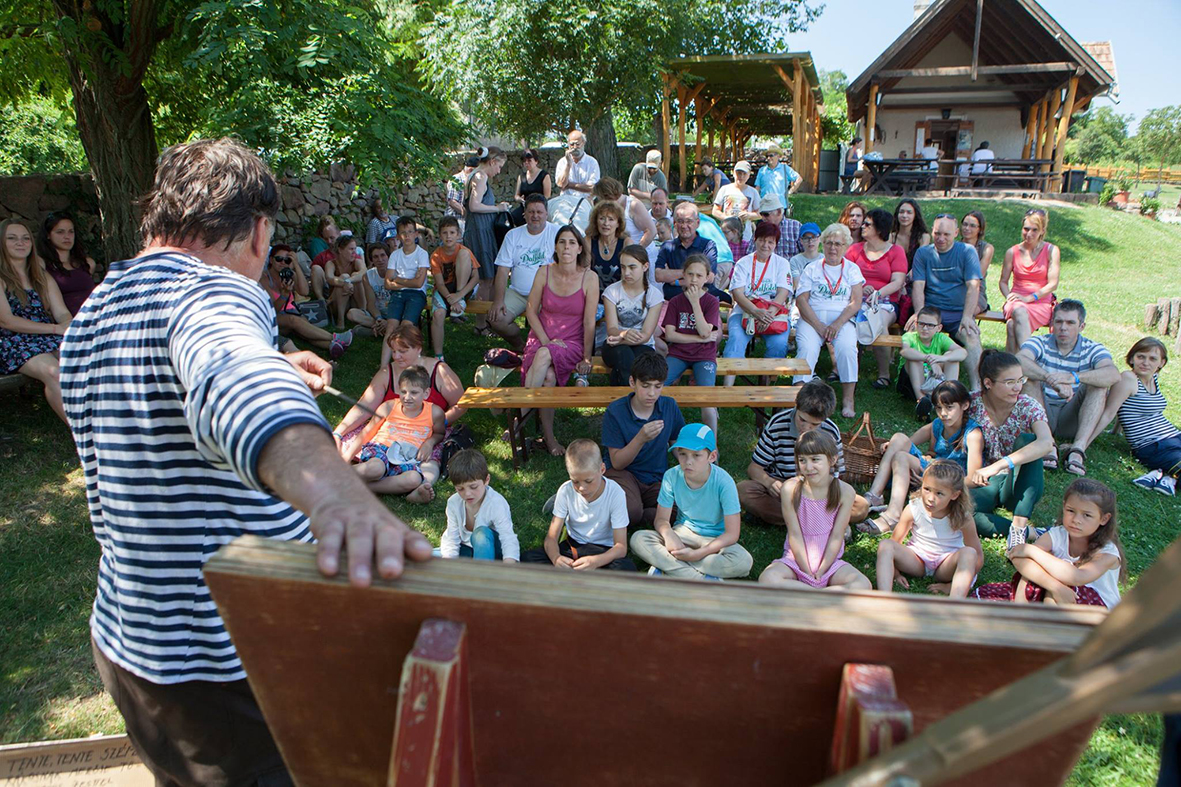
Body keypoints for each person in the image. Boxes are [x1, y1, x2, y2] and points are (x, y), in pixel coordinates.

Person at [59, 138, 432, 786]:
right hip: (227, 662)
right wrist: (336, 495)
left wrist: (277, 363)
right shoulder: (211, 292)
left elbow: (183, 389)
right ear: (259, 232)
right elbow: (237, 381)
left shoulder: (101, 306)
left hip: (131, 644)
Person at [737, 379, 870, 527]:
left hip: (819, 490)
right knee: (743, 490)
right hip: (783, 487)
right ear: (796, 406)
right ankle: (819, 521)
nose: (806, 428)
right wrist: (770, 483)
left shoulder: (831, 431)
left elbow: (837, 474)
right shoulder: (777, 425)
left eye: (815, 424)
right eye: (802, 420)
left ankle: (794, 520)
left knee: (861, 507)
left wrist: (818, 492)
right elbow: (754, 468)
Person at [974, 479, 1123, 608]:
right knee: (1035, 573)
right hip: (1057, 593)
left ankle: (1044, 624)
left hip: (1095, 608)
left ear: (1104, 519)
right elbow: (1019, 558)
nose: (1076, 520)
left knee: (1059, 577)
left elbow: (1077, 576)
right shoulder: (1057, 534)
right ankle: (1021, 612)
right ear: (1064, 507)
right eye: (1071, 511)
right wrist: (1055, 586)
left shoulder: (1107, 552)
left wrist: (1031, 551)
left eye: (1087, 515)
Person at [630, 423, 752, 580]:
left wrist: (698, 554)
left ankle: (669, 567)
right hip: (682, 534)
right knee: (638, 539)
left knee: (743, 561)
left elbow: (732, 534)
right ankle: (702, 579)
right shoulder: (671, 476)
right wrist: (669, 535)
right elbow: (661, 520)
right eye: (683, 454)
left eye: (696, 455)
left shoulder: (724, 482)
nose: (688, 461)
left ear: (712, 456)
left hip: (715, 541)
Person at [862, 380, 982, 534]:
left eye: (949, 407)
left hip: (950, 481)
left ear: (964, 405)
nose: (943, 413)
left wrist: (932, 484)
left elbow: (972, 479)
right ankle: (874, 495)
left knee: (901, 457)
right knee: (898, 438)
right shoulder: (938, 424)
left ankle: (893, 516)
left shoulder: (973, 434)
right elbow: (908, 442)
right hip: (933, 468)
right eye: (939, 408)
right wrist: (892, 445)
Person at [758, 430, 871, 591]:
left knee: (863, 584)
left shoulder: (845, 491)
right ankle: (820, 595)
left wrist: (823, 570)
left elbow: (837, 535)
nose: (808, 467)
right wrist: (806, 571)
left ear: (832, 459)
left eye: (815, 459)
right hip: (795, 560)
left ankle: (808, 594)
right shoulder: (790, 488)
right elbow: (794, 534)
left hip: (830, 563)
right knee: (767, 578)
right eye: (802, 460)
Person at [1017, 299, 1118, 476]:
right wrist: (1050, 379)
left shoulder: (1092, 348)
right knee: (1030, 381)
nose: (1063, 328)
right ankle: (1047, 444)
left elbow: (1113, 374)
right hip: (1042, 410)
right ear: (1052, 324)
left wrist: (1073, 378)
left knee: (1099, 386)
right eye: (1059, 322)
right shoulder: (1039, 342)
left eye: (1070, 322)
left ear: (1081, 326)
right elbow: (1018, 361)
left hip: (1074, 416)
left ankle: (1078, 449)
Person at [521, 224, 598, 456]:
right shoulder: (544, 272)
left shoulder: (589, 278)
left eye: (572, 243)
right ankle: (550, 438)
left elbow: (589, 322)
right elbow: (530, 310)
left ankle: (519, 419)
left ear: (579, 249)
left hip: (571, 343)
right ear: (555, 247)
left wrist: (586, 357)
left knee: (545, 355)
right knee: (548, 376)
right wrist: (546, 340)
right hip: (541, 337)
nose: (566, 247)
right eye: (562, 242)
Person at [335, 324, 466, 458]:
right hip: (392, 433)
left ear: (418, 348)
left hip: (427, 435)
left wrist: (439, 422)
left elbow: (461, 404)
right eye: (393, 351)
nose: (396, 356)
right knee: (346, 444)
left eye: (402, 351)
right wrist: (338, 433)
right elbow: (364, 406)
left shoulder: (439, 370)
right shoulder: (387, 372)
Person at [967, 350, 1053, 538]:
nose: (1017, 388)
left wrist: (998, 465)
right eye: (1009, 382)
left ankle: (1020, 524)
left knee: (1028, 440)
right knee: (961, 511)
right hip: (984, 482)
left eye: (1020, 380)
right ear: (988, 383)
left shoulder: (1027, 406)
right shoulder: (971, 403)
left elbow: (1047, 443)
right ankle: (1030, 533)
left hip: (1019, 484)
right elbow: (941, 423)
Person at [522, 439, 636, 570]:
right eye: (575, 481)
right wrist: (556, 558)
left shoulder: (615, 493)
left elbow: (620, 547)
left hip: (603, 551)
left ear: (602, 469)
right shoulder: (566, 491)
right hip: (572, 547)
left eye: (588, 481)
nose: (581, 488)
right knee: (526, 559)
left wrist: (596, 562)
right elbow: (551, 538)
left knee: (626, 568)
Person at [1084, 337, 1178, 495]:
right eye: (1141, 356)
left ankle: (1166, 477)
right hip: (1152, 445)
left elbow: (1129, 408)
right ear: (1132, 358)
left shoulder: (1153, 378)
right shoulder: (1128, 379)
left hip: (1174, 436)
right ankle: (1167, 477)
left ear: (1161, 363)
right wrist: (1082, 445)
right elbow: (1110, 412)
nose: (1145, 363)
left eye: (1152, 359)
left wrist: (1116, 431)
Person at [875, 460, 983, 598]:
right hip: (917, 560)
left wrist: (950, 586)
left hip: (946, 564)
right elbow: (895, 542)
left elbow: (978, 558)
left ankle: (955, 602)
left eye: (939, 493)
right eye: (927, 489)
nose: (931, 498)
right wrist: (895, 574)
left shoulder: (963, 518)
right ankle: (883, 597)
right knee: (886, 545)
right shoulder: (914, 508)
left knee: (969, 553)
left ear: (954, 495)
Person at [603, 353, 686, 526]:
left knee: (678, 511)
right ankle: (608, 502)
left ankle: (629, 510)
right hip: (624, 474)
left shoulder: (669, 406)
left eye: (658, 386)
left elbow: (676, 442)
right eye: (645, 386)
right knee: (631, 511)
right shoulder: (616, 411)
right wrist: (640, 438)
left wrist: (689, 463)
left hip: (655, 477)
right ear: (632, 382)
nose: (652, 393)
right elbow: (617, 463)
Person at [0, 218, 70, 421]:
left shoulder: (41, 276)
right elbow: (6, 321)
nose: (20, 243)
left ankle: (111, 422)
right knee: (54, 372)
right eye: (12, 238)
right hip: (13, 342)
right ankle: (84, 434)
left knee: (84, 361)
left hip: (46, 337)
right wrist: (56, 329)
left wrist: (67, 324)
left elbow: (61, 312)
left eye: (25, 238)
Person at [794, 222, 864, 418]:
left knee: (848, 348)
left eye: (838, 244)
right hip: (812, 319)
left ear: (846, 246)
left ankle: (848, 399)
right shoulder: (812, 268)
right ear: (823, 244)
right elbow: (801, 300)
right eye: (829, 243)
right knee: (807, 349)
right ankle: (798, 395)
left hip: (842, 320)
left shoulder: (852, 269)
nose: (833, 248)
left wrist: (836, 324)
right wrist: (818, 326)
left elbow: (856, 302)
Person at [909, 214, 983, 390]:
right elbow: (918, 286)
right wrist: (919, 314)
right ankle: (919, 389)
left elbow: (973, 286)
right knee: (913, 336)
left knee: (972, 337)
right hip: (932, 313)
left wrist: (967, 316)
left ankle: (977, 389)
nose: (941, 238)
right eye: (937, 233)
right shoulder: (923, 253)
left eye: (946, 234)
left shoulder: (967, 251)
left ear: (956, 233)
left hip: (958, 312)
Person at [349, 365, 443, 503]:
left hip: (407, 457)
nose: (407, 397)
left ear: (426, 393)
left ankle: (363, 486)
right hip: (382, 449)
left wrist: (429, 442)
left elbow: (440, 433)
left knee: (414, 479)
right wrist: (347, 457)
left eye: (414, 392)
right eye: (403, 391)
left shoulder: (435, 413)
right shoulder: (388, 406)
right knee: (376, 469)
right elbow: (368, 431)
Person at [722, 221, 792, 385]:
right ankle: (727, 387)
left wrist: (767, 316)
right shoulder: (743, 263)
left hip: (773, 313)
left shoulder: (782, 263)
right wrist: (755, 312)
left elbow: (783, 292)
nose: (765, 245)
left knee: (779, 343)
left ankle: (766, 383)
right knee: (736, 340)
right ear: (755, 240)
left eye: (770, 242)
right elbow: (737, 293)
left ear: (776, 244)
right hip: (745, 310)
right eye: (762, 240)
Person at [489, 194, 559, 350]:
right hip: (518, 293)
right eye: (531, 212)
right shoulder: (513, 235)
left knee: (552, 325)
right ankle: (521, 346)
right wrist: (498, 300)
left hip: (547, 294)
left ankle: (543, 350)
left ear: (546, 214)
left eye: (539, 212)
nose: (535, 216)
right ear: (524, 214)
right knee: (497, 320)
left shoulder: (557, 233)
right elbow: (502, 270)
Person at [847, 207, 907, 389]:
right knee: (846, 323)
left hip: (885, 302)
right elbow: (844, 276)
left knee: (877, 323)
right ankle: (847, 370)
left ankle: (884, 374)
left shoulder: (896, 251)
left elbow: (898, 281)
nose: (862, 226)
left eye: (867, 224)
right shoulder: (855, 250)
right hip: (855, 298)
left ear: (879, 229)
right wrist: (860, 288)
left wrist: (877, 294)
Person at [661, 255, 720, 433]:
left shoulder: (711, 301)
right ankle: (663, 432)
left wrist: (695, 303)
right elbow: (670, 335)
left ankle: (712, 443)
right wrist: (699, 339)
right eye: (690, 274)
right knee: (658, 387)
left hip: (704, 355)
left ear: (707, 277)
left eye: (699, 276)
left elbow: (704, 331)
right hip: (678, 353)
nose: (694, 280)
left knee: (707, 398)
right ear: (684, 275)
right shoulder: (675, 301)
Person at [261, 244, 352, 358]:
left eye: (287, 260)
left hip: (292, 312)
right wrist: (284, 295)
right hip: (274, 318)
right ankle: (335, 337)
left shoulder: (289, 274)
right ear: (271, 260)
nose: (283, 263)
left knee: (306, 333)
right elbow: (273, 310)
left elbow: (304, 291)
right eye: (279, 259)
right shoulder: (264, 278)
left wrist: (296, 265)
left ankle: (333, 346)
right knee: (294, 320)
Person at [439, 449, 520, 562]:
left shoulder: (496, 503)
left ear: (486, 480)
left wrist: (508, 565)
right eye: (460, 489)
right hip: (468, 550)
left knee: (481, 534)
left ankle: (483, 571)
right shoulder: (453, 503)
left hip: (494, 552)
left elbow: (508, 538)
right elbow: (452, 538)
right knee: (431, 558)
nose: (467, 494)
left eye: (473, 487)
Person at [601, 245, 663, 385]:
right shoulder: (611, 291)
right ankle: (629, 395)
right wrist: (623, 334)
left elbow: (645, 335)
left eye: (632, 267)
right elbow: (611, 329)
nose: (626, 272)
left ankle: (620, 394)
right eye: (623, 267)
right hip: (614, 346)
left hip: (642, 345)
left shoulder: (654, 295)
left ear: (645, 266)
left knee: (631, 361)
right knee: (624, 354)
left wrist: (621, 338)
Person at [999, 208, 1060, 353]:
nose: (1029, 234)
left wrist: (1030, 298)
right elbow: (1003, 282)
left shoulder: (1051, 250)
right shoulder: (1012, 252)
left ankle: (1014, 363)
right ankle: (1030, 357)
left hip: (1040, 301)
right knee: (1019, 310)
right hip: (1016, 301)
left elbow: (1053, 284)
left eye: (1034, 230)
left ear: (1042, 231)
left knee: (1011, 325)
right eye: (1026, 229)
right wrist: (1009, 296)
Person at [464, 146, 512, 326]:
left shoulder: (473, 175)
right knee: (485, 278)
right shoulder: (480, 176)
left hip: (480, 230)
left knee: (488, 277)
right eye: (499, 166)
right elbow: (474, 206)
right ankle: (481, 324)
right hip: (480, 232)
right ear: (492, 162)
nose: (499, 171)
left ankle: (488, 321)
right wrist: (498, 208)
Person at [897, 306, 968, 417]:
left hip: (934, 379)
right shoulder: (910, 337)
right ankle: (921, 401)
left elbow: (962, 353)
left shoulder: (940, 338)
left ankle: (949, 396)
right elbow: (904, 351)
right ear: (916, 324)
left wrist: (941, 359)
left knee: (951, 357)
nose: (925, 328)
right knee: (915, 359)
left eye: (930, 325)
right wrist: (929, 360)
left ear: (938, 328)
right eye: (921, 324)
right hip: (910, 383)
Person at [427, 217, 477, 360]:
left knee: (463, 254)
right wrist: (451, 299)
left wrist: (459, 295)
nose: (448, 236)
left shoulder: (464, 251)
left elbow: (476, 277)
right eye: (445, 233)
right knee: (438, 314)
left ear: (458, 234)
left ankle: (461, 300)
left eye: (452, 232)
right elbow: (439, 284)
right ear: (440, 235)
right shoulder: (436, 255)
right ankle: (438, 356)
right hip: (445, 291)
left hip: (462, 288)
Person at [655, 201, 720, 302]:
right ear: (674, 224)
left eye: (689, 221)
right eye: (680, 221)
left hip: (701, 302)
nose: (684, 226)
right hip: (673, 302)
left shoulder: (708, 245)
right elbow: (659, 275)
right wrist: (695, 274)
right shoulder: (667, 246)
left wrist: (676, 281)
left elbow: (710, 277)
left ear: (697, 223)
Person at [39, 212, 97, 315]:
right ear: (48, 235)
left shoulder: (87, 263)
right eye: (60, 232)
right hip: (67, 319)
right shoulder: (42, 265)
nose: (67, 236)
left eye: (71, 232)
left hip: (95, 316)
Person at [592, 177, 655, 266]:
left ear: (607, 195)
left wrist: (635, 253)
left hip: (642, 257)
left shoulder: (633, 205)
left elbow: (651, 231)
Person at [383, 216, 430, 333]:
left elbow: (418, 284)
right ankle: (388, 346)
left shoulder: (422, 254)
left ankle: (406, 344)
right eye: (403, 233)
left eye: (410, 232)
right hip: (398, 294)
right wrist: (410, 282)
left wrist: (397, 279)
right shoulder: (395, 255)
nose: (407, 235)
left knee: (406, 326)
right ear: (398, 236)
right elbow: (387, 284)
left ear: (416, 234)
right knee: (391, 326)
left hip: (416, 294)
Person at [322, 234, 369, 330]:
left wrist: (349, 281)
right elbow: (330, 278)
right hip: (337, 303)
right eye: (351, 249)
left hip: (354, 301)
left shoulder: (357, 262)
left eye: (355, 249)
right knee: (343, 277)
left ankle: (363, 313)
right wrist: (344, 282)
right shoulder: (331, 264)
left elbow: (364, 273)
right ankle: (340, 320)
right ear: (340, 250)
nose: (354, 252)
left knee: (356, 277)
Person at [347, 243, 392, 337]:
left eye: (383, 255)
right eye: (376, 257)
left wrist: (390, 320)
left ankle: (378, 330)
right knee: (352, 314)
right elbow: (371, 304)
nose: (380, 260)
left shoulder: (398, 273)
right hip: (378, 313)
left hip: (396, 312)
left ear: (388, 257)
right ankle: (383, 328)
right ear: (372, 260)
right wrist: (379, 319)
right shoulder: (368, 276)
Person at [585, 197, 627, 291]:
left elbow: (627, 277)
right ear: (596, 221)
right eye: (602, 218)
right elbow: (585, 273)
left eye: (611, 219)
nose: (606, 223)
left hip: (618, 295)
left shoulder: (626, 243)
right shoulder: (588, 241)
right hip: (592, 294)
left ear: (618, 223)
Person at [960, 210, 994, 315]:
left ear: (980, 229)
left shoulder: (987, 249)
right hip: (955, 290)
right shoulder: (954, 246)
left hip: (976, 292)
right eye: (965, 224)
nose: (967, 228)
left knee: (967, 311)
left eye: (972, 226)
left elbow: (977, 275)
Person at [712, 160, 761, 228]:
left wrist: (749, 215)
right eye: (739, 173)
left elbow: (760, 214)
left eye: (744, 174)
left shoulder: (753, 192)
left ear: (749, 175)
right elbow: (715, 211)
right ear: (734, 173)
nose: (741, 176)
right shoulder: (724, 189)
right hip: (727, 230)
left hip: (745, 232)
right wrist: (727, 218)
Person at [511, 148, 551, 226]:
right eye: (524, 161)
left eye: (529, 161)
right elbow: (516, 195)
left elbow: (547, 196)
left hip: (538, 208)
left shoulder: (544, 175)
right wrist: (520, 199)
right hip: (524, 208)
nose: (526, 163)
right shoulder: (521, 176)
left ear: (536, 161)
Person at [554, 129, 600, 195]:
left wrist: (569, 185)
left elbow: (592, 188)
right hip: (567, 200)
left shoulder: (592, 162)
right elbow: (561, 185)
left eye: (578, 144)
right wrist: (568, 165)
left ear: (583, 143)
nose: (575, 147)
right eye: (572, 144)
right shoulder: (562, 162)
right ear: (568, 144)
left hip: (585, 200)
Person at [754, 144, 801, 208]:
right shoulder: (762, 170)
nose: (768, 158)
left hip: (780, 206)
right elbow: (757, 187)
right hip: (764, 206)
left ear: (778, 156)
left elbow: (799, 179)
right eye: (767, 156)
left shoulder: (785, 168)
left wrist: (790, 192)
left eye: (771, 156)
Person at [758, 194, 801, 260]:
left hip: (791, 265)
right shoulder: (760, 229)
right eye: (761, 214)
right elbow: (751, 253)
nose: (763, 218)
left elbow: (807, 253)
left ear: (778, 212)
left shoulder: (795, 227)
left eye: (766, 214)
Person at [889, 198, 930, 267]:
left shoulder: (923, 237)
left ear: (915, 215)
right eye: (901, 212)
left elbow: (921, 260)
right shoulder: (891, 237)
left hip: (917, 271)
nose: (904, 215)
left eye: (909, 212)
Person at [788, 222, 822, 289]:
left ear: (819, 239)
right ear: (801, 240)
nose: (810, 241)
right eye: (806, 238)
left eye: (813, 237)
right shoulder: (795, 261)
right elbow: (797, 285)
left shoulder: (825, 259)